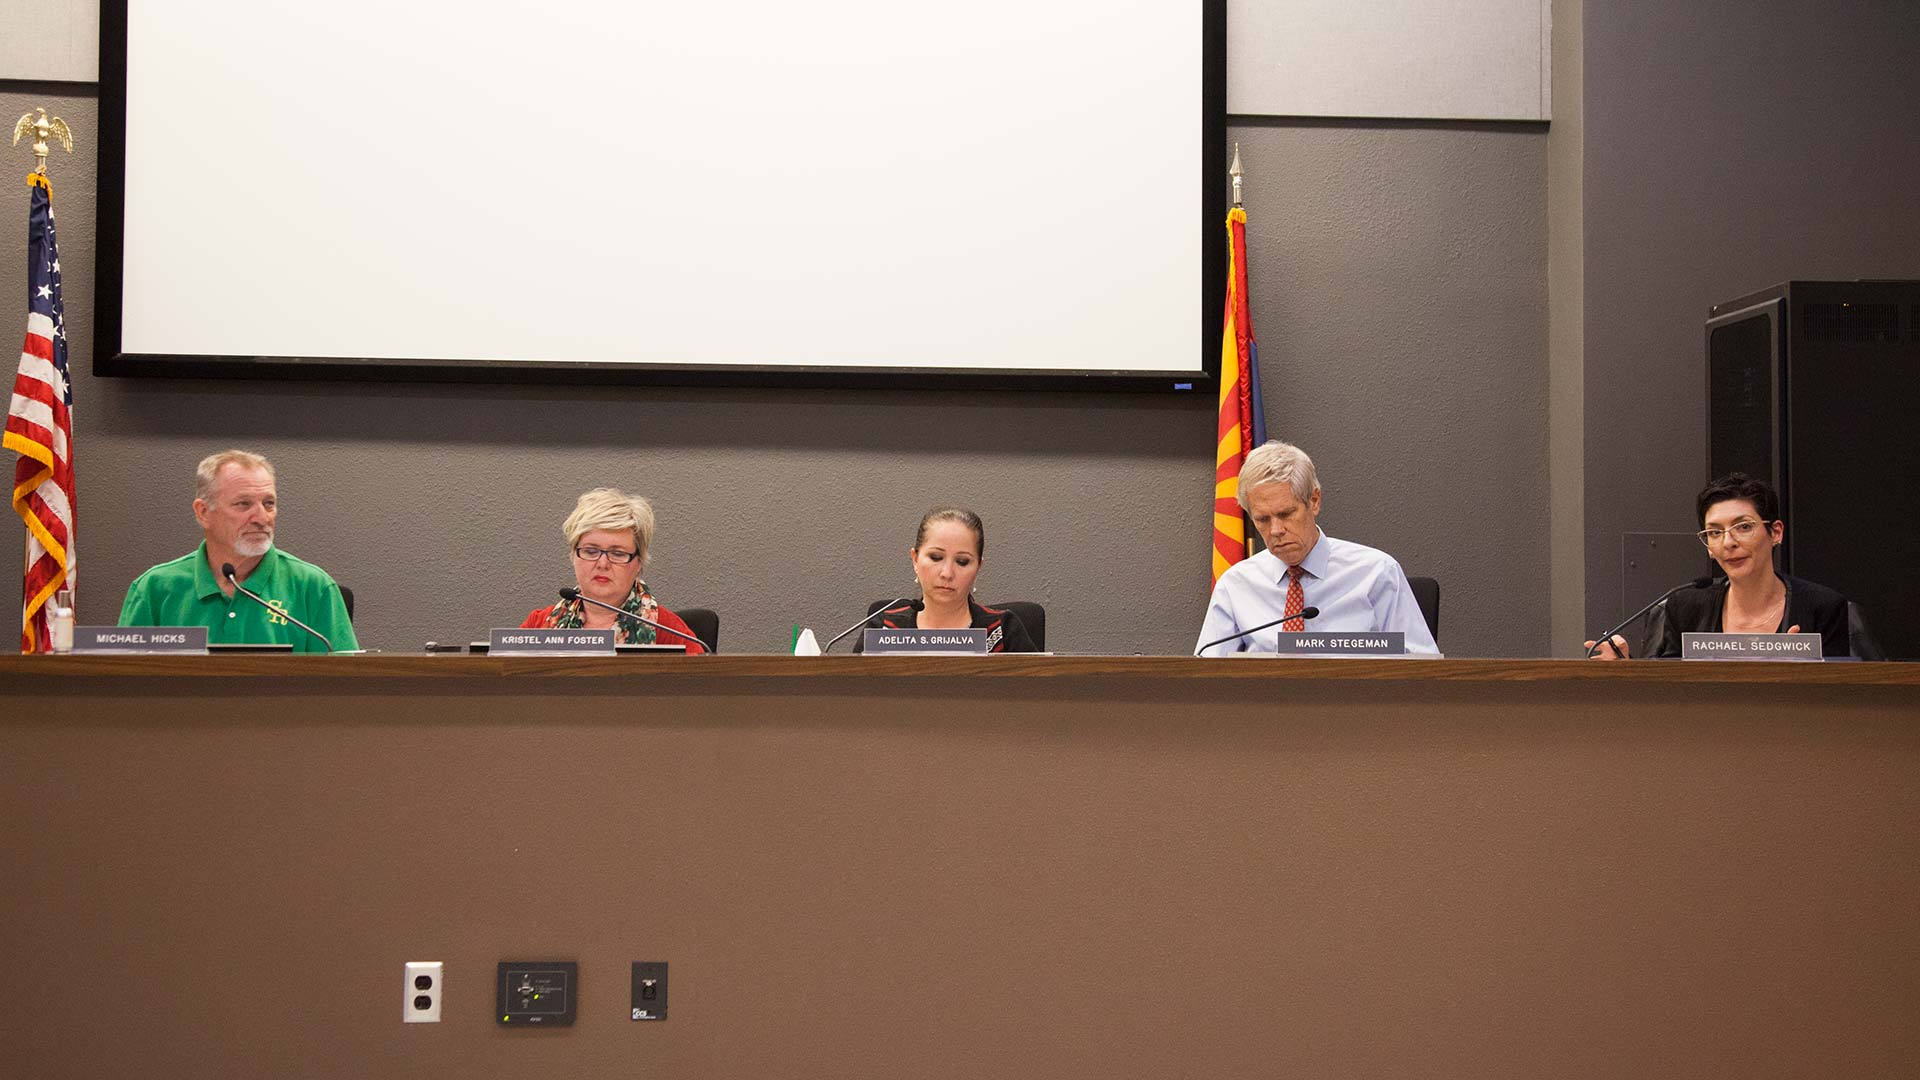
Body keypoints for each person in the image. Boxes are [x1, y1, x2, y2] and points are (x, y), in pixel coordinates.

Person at [1196, 440, 1438, 656]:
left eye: (1286, 513)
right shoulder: (1236, 585)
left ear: (1314, 501)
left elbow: (1423, 668)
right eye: (1262, 519)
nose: (1276, 530)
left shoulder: (1377, 573)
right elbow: (1205, 679)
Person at [1585, 473, 1854, 659]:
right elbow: (1664, 693)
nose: (1728, 542)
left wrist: (1804, 672)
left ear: (1776, 532)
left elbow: (1842, 700)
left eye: (1743, 527)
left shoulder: (1822, 608)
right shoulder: (1685, 608)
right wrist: (1626, 672)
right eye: (1714, 532)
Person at [118, 450, 359, 653]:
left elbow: (346, 689)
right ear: (203, 512)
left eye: (269, 504)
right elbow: (121, 687)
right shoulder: (155, 589)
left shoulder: (313, 587)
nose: (262, 518)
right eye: (243, 504)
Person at [519, 488, 707, 653]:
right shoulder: (540, 625)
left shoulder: (667, 632)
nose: (602, 563)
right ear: (573, 556)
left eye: (617, 553)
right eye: (591, 551)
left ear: (638, 563)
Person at [855, 507, 1038, 653]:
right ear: (915, 560)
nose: (947, 573)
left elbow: (1037, 696)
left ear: (978, 568)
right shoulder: (884, 628)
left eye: (962, 561)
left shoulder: (1002, 631)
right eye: (935, 557)